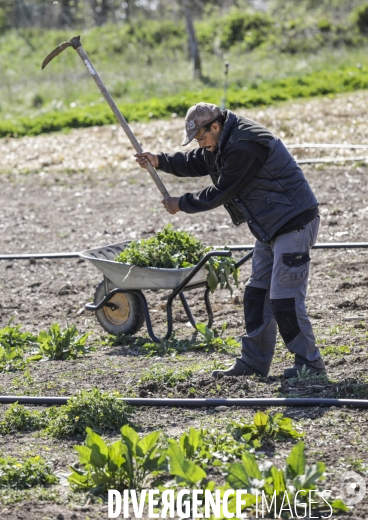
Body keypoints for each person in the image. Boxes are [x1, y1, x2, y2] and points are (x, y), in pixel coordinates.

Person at [135, 102, 325, 379]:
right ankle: (253, 364)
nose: (200, 145)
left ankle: (310, 365)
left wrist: (182, 203)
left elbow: (221, 191)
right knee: (256, 295)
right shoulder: (221, 142)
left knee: (285, 299)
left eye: (201, 138)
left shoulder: (245, 145)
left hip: (293, 221)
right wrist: (160, 161)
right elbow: (197, 162)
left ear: (215, 126)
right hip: (269, 225)